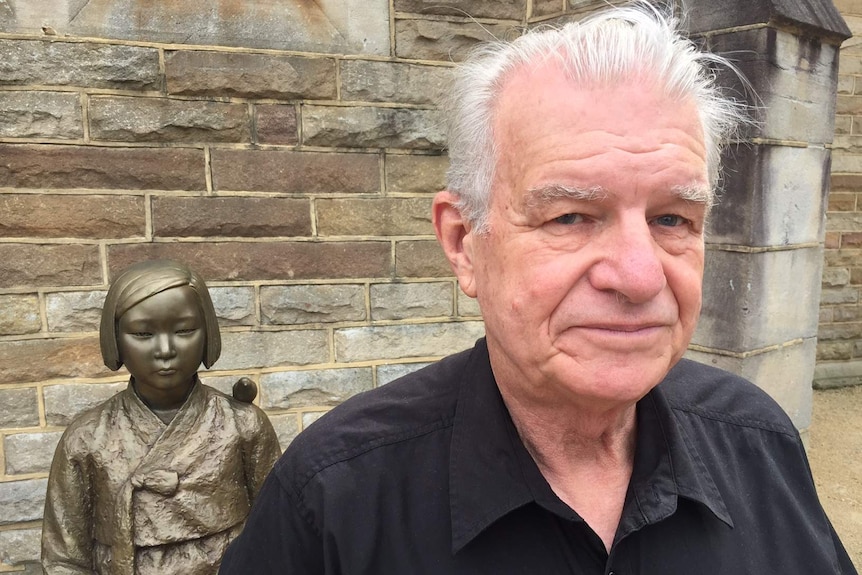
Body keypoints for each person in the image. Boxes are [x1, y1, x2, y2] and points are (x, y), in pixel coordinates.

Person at [219, 3, 857, 573]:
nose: (639, 276)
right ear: (464, 242)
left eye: (672, 219)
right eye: (571, 217)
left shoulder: (759, 444)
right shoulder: (333, 502)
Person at [42, 260, 281, 575]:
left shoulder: (244, 425)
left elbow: (280, 533)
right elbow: (64, 560)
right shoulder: (85, 438)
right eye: (143, 333)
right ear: (115, 340)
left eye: (184, 330)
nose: (166, 349)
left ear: (207, 332)